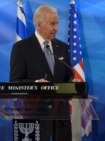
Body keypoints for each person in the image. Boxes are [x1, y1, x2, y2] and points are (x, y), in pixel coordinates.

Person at [10, 5, 73, 141]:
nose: (56, 28)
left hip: (60, 116)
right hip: (34, 113)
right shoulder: (21, 48)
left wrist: (74, 82)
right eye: (52, 24)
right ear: (39, 24)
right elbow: (15, 82)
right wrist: (36, 84)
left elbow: (69, 77)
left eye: (57, 23)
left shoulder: (62, 47)